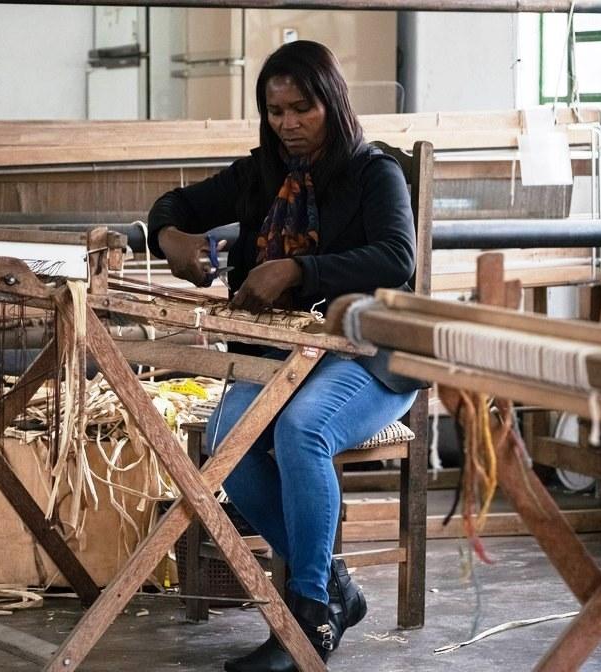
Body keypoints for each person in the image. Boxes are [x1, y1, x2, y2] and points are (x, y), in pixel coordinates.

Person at [147, 40, 422, 671]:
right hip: (284, 356)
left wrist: (296, 268)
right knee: (227, 443)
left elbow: (395, 257)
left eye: (303, 108)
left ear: (332, 103)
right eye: (276, 111)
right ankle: (330, 583)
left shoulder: (371, 172)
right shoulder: (259, 177)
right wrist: (173, 239)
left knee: (303, 432)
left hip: (370, 352)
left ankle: (307, 615)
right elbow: (178, 205)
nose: (289, 124)